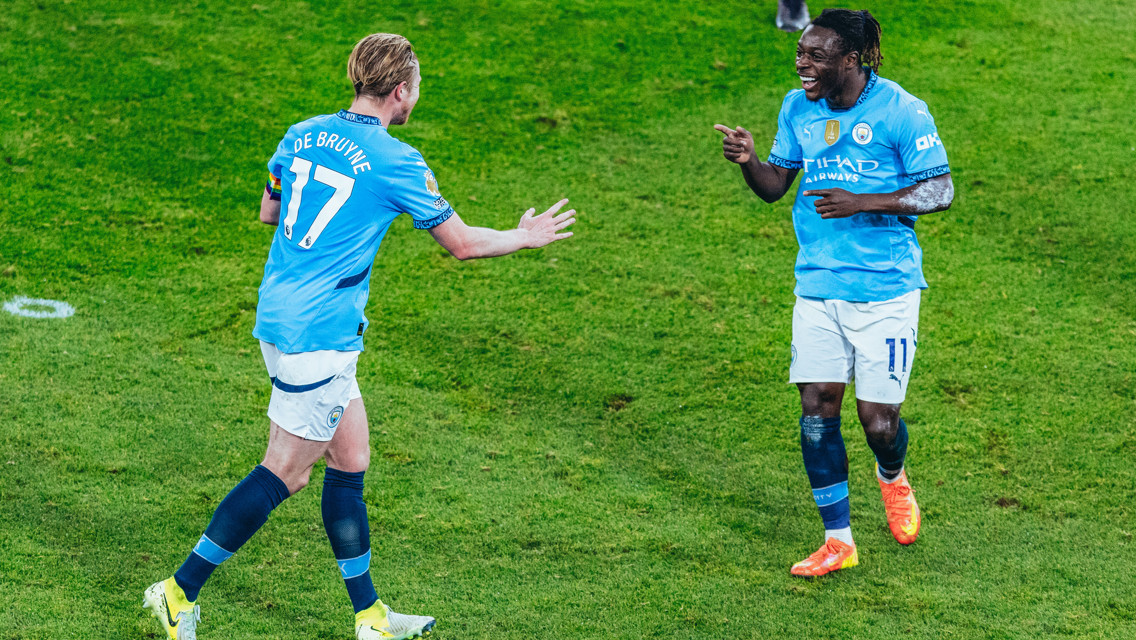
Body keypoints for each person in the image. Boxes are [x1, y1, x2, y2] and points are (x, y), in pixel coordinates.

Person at [144, 33, 577, 639]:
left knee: (350, 460)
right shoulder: (397, 160)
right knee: (285, 474)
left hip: (282, 316)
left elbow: (270, 212)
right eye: (417, 88)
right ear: (401, 90)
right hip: (316, 335)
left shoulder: (301, 132)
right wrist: (523, 236)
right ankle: (176, 591)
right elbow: (462, 244)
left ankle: (371, 619)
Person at [714, 9, 953, 577]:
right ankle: (837, 540)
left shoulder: (900, 110)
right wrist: (750, 162)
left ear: (852, 59)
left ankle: (892, 478)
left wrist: (863, 202)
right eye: (800, 52)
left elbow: (940, 191)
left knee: (879, 423)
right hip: (817, 283)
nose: (803, 64)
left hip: (886, 289)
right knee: (817, 412)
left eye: (816, 55)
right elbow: (777, 186)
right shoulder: (798, 107)